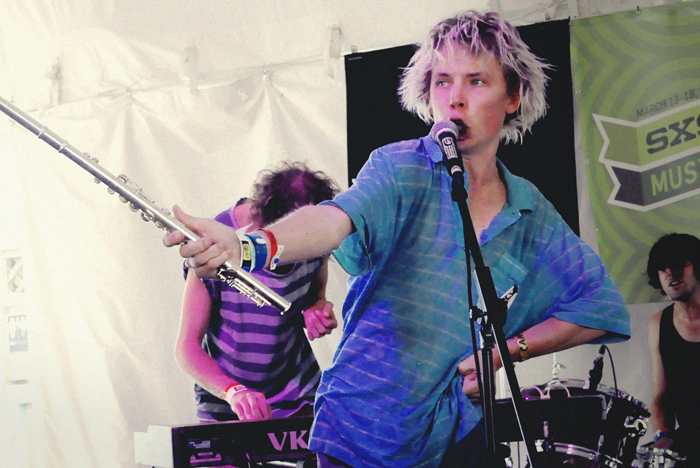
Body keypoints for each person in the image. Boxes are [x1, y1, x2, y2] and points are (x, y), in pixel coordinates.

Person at [164, 10, 630, 468]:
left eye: (476, 81)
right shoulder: (400, 168)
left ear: (513, 96)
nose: (455, 99)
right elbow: (333, 219)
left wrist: (506, 351)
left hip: (454, 431)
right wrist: (250, 246)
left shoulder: (531, 214)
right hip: (359, 431)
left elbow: (599, 306)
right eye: (442, 82)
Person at [174, 161, 340, 423]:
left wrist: (316, 307)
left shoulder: (315, 236)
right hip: (225, 396)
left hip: (297, 393)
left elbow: (315, 294)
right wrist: (234, 392)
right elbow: (186, 348)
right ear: (261, 220)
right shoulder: (214, 246)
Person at [646, 233, 700, 466]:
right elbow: (661, 398)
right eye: (663, 268)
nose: (670, 273)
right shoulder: (659, 324)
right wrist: (663, 435)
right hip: (691, 442)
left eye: (678, 264)